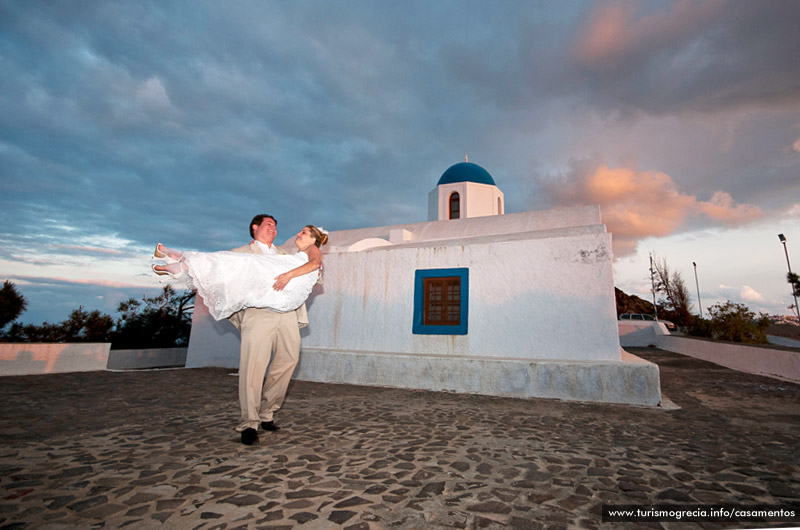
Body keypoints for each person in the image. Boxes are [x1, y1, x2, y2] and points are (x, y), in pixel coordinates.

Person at [153, 215, 327, 445]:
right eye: (268, 224)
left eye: (275, 225)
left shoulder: (287, 255)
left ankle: (267, 412)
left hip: (287, 314)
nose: (273, 228)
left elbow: (311, 273)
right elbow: (219, 272)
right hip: (258, 313)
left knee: (288, 361)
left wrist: (307, 275)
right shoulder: (240, 253)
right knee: (252, 367)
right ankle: (250, 423)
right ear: (255, 228)